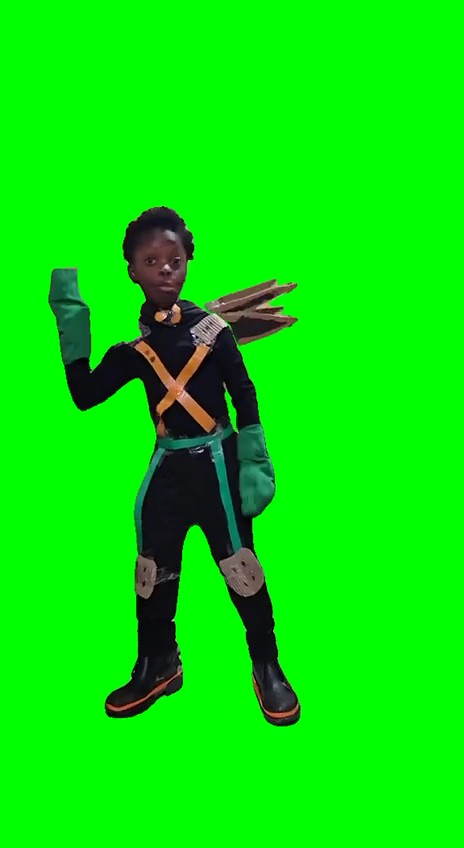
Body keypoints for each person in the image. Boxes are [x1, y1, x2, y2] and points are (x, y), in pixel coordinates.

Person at [49, 206, 300, 726]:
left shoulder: (213, 330)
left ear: (188, 260)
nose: (165, 268)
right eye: (151, 261)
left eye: (174, 259)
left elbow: (244, 394)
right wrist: (70, 311)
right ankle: (158, 664)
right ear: (132, 271)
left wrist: (254, 457)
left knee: (242, 568)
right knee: (151, 573)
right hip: (167, 469)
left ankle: (267, 663)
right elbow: (85, 394)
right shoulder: (135, 351)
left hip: (218, 468)